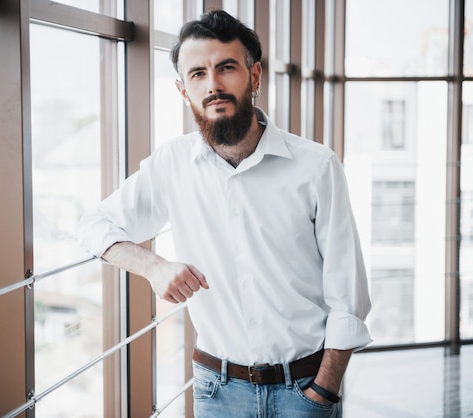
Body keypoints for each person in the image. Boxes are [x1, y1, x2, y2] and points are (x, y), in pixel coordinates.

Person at [78, 9, 371, 417]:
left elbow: (349, 296)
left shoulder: (317, 166)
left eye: (226, 68)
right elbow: (93, 226)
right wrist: (152, 265)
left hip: (305, 390)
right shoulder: (172, 164)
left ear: (254, 76)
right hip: (217, 393)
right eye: (197, 74)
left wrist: (323, 392)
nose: (212, 85)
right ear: (184, 91)